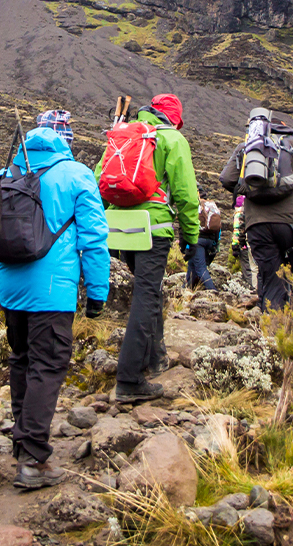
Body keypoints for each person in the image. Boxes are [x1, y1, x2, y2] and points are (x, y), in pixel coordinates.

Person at [0, 125, 109, 489]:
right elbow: (94, 237)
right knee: (48, 365)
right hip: (53, 290)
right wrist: (97, 292)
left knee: (21, 360)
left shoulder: (5, 175)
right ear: (61, 144)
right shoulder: (76, 174)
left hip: (10, 288)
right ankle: (33, 458)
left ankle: (23, 442)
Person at [96, 94, 199, 404]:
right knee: (146, 295)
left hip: (116, 227)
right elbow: (185, 194)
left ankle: (155, 359)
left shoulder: (124, 134)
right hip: (151, 228)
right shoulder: (171, 138)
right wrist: (190, 237)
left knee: (145, 294)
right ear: (174, 118)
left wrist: (99, 223)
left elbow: (100, 179)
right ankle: (129, 379)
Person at [219, 112, 293, 313]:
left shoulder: (247, 146)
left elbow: (226, 179)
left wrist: (249, 189)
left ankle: (274, 331)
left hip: (258, 225)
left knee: (271, 280)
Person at [187, 192, 221, 291]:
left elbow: (189, 226)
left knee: (200, 268)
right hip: (210, 240)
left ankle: (213, 291)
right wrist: (215, 243)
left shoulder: (195, 205)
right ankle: (188, 288)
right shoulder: (212, 206)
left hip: (198, 241)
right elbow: (218, 228)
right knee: (192, 264)